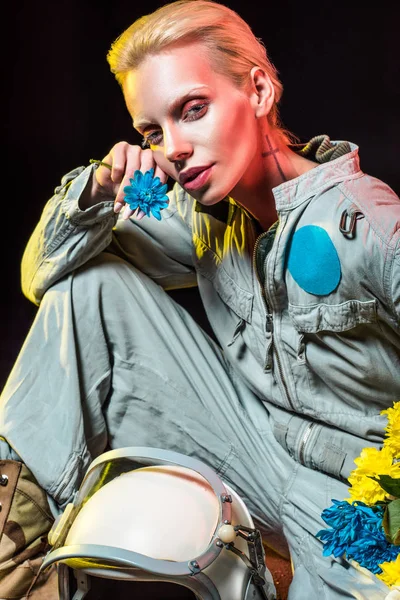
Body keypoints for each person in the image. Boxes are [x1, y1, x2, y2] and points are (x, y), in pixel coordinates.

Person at [0, 0, 399, 598]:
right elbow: (43, 273)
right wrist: (101, 187)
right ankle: (18, 566)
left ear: (259, 90)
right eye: (153, 131)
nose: (175, 148)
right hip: (261, 458)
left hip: (364, 507)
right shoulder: (201, 219)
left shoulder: (368, 222)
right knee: (91, 285)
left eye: (193, 110)